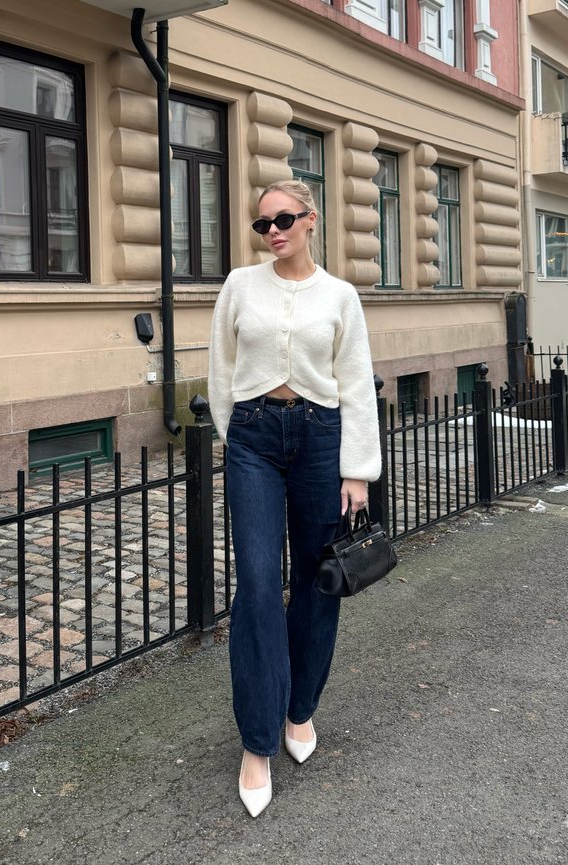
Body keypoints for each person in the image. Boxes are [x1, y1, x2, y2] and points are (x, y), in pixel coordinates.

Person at [208, 179, 381, 817]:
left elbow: (356, 380)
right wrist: (236, 431)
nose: (272, 231)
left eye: (283, 219)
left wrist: (357, 468)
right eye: (262, 224)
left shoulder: (340, 295)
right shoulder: (238, 286)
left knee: (315, 579)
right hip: (254, 438)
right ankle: (257, 741)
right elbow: (221, 365)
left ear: (311, 220)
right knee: (256, 583)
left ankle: (299, 709)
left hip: (320, 438)